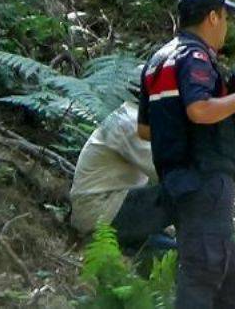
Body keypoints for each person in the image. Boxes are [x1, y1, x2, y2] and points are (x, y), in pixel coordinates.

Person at [138, 0, 235, 309]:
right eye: (225, 17)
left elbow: (145, 129)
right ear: (212, 17)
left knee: (230, 281)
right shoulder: (195, 56)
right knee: (203, 274)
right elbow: (199, 109)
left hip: (176, 182)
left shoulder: (157, 60)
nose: (226, 26)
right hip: (204, 179)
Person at [70, 101, 173, 250]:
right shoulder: (130, 123)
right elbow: (169, 171)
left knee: (173, 251)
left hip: (103, 209)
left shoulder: (130, 117)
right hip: (102, 210)